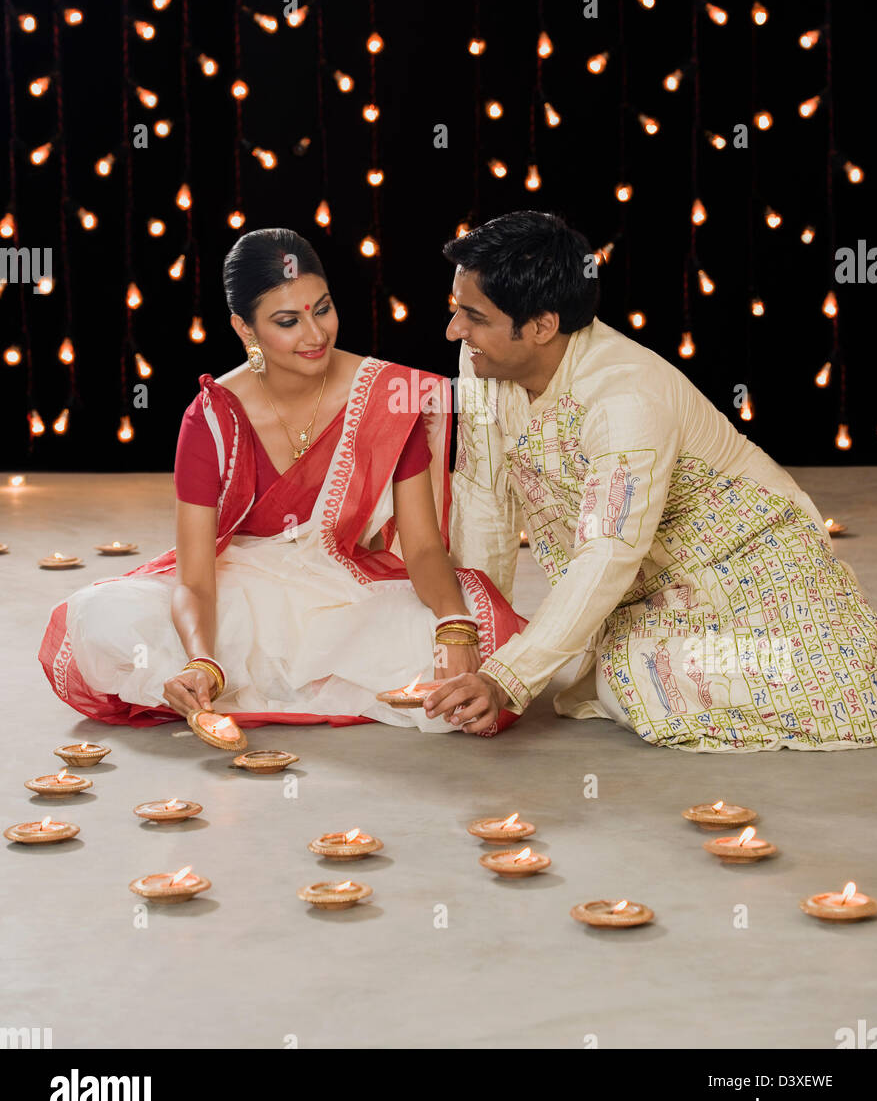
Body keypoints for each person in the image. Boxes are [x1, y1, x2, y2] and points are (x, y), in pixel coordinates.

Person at [423, 210, 877, 752]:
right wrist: (483, 632)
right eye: (458, 311)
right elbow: (483, 496)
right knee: (609, 667)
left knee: (638, 675)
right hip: (650, 590)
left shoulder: (625, 398)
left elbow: (607, 552)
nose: (455, 330)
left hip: (753, 570)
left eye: (472, 316)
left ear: (543, 325)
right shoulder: (484, 361)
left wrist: (507, 676)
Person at [38, 229, 525, 735]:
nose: (315, 335)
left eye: (323, 309)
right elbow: (196, 576)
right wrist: (201, 660)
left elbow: (423, 547)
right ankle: (230, 680)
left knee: (478, 643)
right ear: (244, 329)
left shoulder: (387, 395)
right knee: (101, 617)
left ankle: (283, 679)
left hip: (343, 594)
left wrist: (453, 625)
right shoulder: (211, 417)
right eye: (287, 321)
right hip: (237, 596)